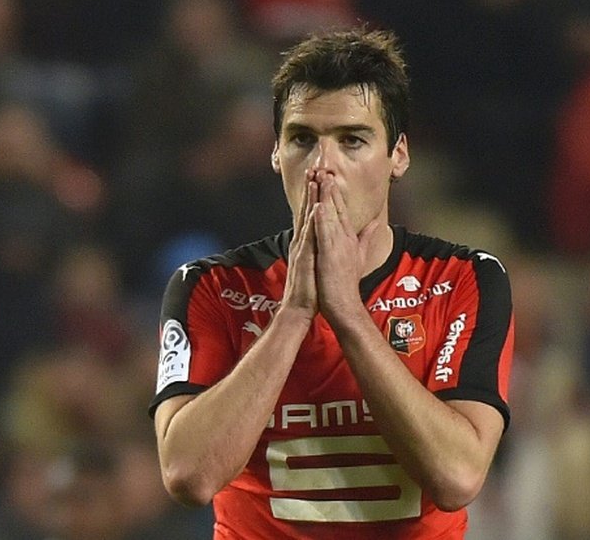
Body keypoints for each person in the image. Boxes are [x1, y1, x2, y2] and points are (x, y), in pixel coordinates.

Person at [150, 27, 515, 539]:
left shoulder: (463, 281)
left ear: (399, 156)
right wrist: (296, 311)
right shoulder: (212, 287)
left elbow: (457, 476)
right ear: (275, 154)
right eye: (302, 139)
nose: (323, 165)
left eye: (352, 140)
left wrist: (346, 311)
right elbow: (188, 475)